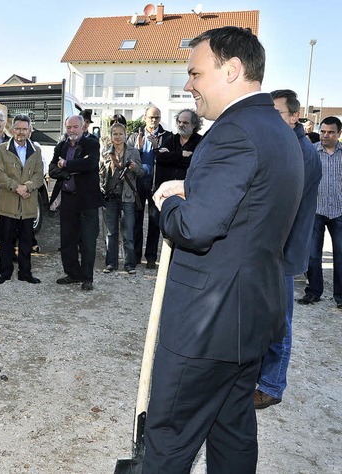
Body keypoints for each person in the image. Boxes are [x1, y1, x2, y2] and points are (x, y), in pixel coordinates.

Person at [145, 27, 303, 472]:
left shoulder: (233, 132)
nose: (187, 85)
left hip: (206, 326)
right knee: (231, 432)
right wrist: (193, 188)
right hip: (249, 319)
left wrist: (170, 201)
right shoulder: (276, 129)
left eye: (195, 73)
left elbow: (195, 228)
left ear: (231, 70)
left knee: (169, 440)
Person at [254, 89, 322, 410]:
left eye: (276, 113)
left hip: (282, 250)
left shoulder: (303, 153)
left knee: (280, 322)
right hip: (269, 248)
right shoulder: (282, 144)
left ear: (295, 117)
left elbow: (285, 206)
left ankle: (271, 385)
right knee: (264, 318)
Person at [49, 115, 103, 291]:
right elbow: (52, 170)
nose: (71, 130)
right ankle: (72, 274)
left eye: (75, 127)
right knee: (67, 241)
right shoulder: (61, 146)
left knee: (88, 241)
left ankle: (87, 277)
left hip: (88, 201)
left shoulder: (92, 144)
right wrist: (68, 171)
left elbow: (90, 163)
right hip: (68, 199)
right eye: (69, 127)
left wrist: (66, 164)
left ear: (83, 128)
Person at [0, 114, 44, 284]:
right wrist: (17, 188)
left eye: (25, 129)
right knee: (6, 240)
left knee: (26, 241)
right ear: (12, 129)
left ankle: (25, 273)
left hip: (28, 205)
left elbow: (38, 174)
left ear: (30, 131)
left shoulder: (36, 150)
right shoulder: (1, 149)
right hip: (8, 202)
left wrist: (27, 187)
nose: (21, 132)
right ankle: (5, 273)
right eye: (18, 128)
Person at [298, 116, 342, 308]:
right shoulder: (311, 152)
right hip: (315, 210)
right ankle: (314, 292)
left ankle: (340, 296)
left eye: (331, 132)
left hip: (339, 211)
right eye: (323, 131)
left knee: (340, 255)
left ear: (339, 134)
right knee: (313, 254)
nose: (325, 135)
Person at [128, 106, 171, 269]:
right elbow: (128, 156)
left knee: (154, 221)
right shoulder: (134, 137)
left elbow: (168, 159)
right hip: (138, 183)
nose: (154, 121)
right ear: (144, 118)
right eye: (151, 117)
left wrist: (156, 148)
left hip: (157, 184)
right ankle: (136, 256)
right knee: (136, 221)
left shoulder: (167, 137)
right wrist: (137, 149)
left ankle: (151, 257)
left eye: (157, 118)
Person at [99, 122, 143, 274]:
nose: (117, 137)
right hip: (110, 197)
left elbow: (141, 172)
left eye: (120, 134)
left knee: (128, 232)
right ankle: (111, 263)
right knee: (111, 233)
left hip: (127, 197)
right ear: (111, 136)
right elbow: (100, 173)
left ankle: (129, 264)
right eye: (115, 134)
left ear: (125, 136)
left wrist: (134, 168)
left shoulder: (134, 152)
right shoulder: (106, 152)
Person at [153, 109, 203, 189]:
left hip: (188, 190)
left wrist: (170, 156)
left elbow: (195, 163)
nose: (181, 125)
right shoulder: (171, 139)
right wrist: (181, 154)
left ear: (194, 125)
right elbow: (160, 158)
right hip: (167, 189)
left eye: (185, 122)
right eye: (179, 122)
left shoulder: (201, 142)